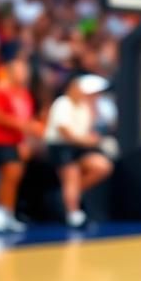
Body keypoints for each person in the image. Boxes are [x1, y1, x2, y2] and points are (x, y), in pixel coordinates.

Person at [44, 74, 114, 228]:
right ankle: (73, 214)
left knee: (102, 166)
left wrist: (93, 108)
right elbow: (65, 133)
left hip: (78, 148)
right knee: (72, 174)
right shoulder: (62, 103)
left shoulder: (85, 107)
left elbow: (87, 131)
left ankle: (66, 195)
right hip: (60, 147)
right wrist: (88, 141)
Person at [0, 58, 37, 232]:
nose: (24, 74)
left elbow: (27, 119)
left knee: (15, 176)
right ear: (10, 72)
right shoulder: (1, 91)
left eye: (26, 70)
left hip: (15, 142)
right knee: (9, 174)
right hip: (0, 140)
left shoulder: (25, 94)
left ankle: (8, 214)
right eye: (20, 70)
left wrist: (24, 140)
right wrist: (20, 125)